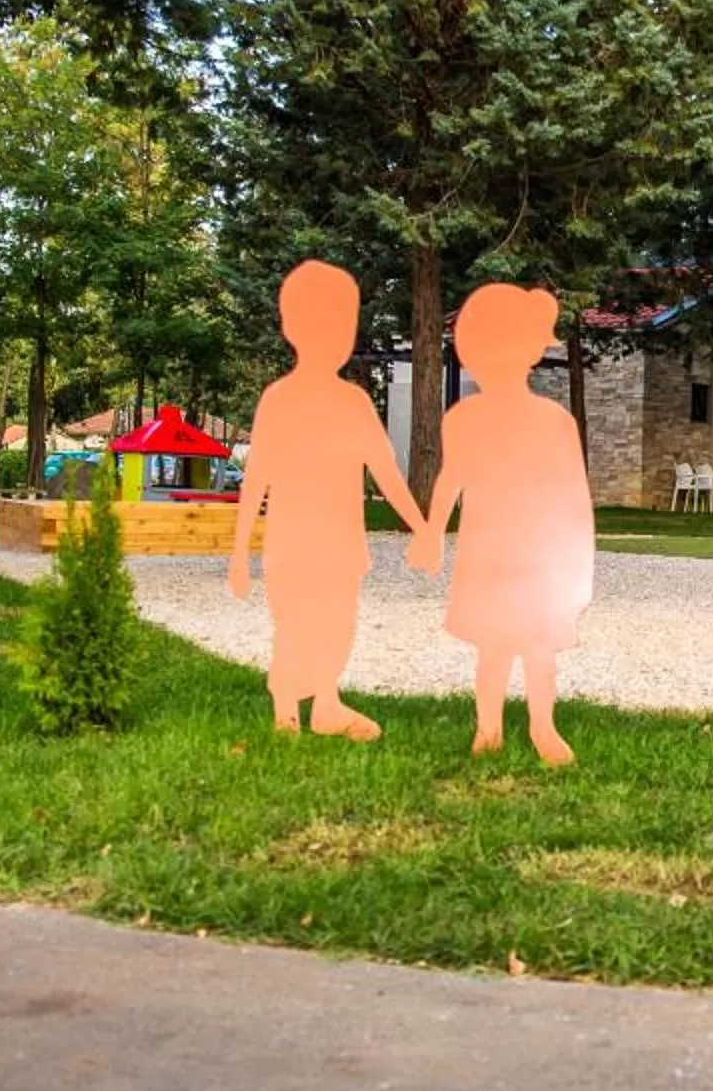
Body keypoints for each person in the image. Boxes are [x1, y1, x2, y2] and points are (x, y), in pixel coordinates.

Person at [230, 260, 430, 741]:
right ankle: (285, 713)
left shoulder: (354, 403)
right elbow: (257, 478)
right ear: (292, 327)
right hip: (292, 544)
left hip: (340, 546)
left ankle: (326, 703)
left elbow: (385, 472)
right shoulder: (278, 399)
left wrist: (421, 528)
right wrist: (239, 552)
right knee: (296, 626)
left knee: (337, 626)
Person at [411, 283, 594, 766]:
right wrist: (431, 533)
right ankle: (487, 729)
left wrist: (577, 566)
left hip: (536, 552)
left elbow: (573, 497)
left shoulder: (554, 422)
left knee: (537, 647)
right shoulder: (465, 418)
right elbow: (453, 478)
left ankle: (543, 727)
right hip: (487, 550)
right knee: (493, 647)